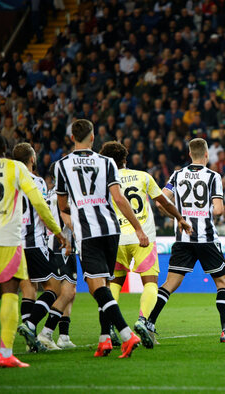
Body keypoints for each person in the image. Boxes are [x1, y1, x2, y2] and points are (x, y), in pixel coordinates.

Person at [0, 132, 66, 368]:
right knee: (11, 292)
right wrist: (57, 231)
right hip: (8, 238)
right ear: (5, 148)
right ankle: (5, 353)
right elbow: (38, 202)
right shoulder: (15, 168)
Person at [55, 119, 148, 358]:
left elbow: (62, 205)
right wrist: (138, 228)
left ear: (72, 137)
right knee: (104, 285)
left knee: (97, 289)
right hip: (111, 229)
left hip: (88, 232)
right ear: (93, 137)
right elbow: (118, 199)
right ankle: (104, 339)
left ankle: (127, 335)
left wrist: (71, 218)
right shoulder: (106, 162)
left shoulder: (62, 165)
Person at [146, 138, 225, 343]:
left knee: (170, 283)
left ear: (189, 154)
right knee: (222, 282)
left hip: (182, 238)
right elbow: (218, 209)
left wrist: (179, 218)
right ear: (206, 154)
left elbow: (161, 201)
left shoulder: (177, 174)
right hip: (206, 238)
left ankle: (150, 322)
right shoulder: (214, 176)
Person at [99, 141, 191, 348]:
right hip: (143, 238)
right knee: (150, 282)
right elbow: (164, 202)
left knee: (114, 283)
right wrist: (180, 218)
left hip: (116, 238)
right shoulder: (143, 176)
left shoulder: (104, 180)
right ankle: (142, 321)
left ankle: (112, 326)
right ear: (125, 159)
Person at [12, 143, 72, 352]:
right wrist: (59, 234)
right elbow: (43, 212)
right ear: (31, 159)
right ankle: (29, 325)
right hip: (34, 242)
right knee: (54, 288)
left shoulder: (9, 181)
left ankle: (31, 345)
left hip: (14, 244)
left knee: (28, 289)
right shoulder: (36, 181)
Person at [43, 162, 78, 349]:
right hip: (63, 244)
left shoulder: (50, 192)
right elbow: (66, 217)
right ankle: (46, 332)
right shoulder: (64, 194)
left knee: (69, 293)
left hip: (56, 244)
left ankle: (63, 336)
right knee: (67, 292)